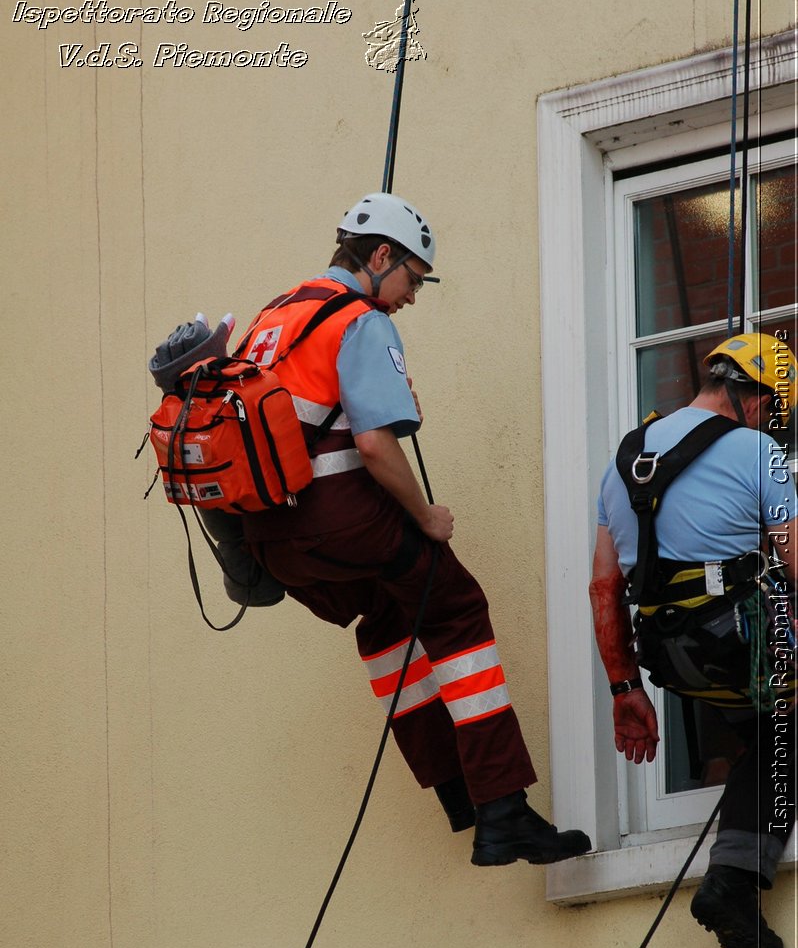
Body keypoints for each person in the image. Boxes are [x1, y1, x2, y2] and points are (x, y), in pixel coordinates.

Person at [150, 192, 591, 868]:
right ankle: (503, 811)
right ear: (380, 255)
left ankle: (458, 796)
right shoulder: (359, 320)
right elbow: (378, 447)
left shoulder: (275, 313)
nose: (411, 296)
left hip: (276, 543)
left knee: (389, 624)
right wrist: (427, 518)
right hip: (345, 518)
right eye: (412, 277)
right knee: (457, 607)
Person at [590, 333, 797, 948]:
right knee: (784, 734)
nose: (772, 423)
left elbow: (603, 588)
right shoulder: (760, 451)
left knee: (763, 736)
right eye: (774, 409)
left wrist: (627, 690)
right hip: (738, 638)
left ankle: (735, 873)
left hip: (668, 658)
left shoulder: (623, 463)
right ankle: (732, 881)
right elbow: (794, 556)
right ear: (754, 395)